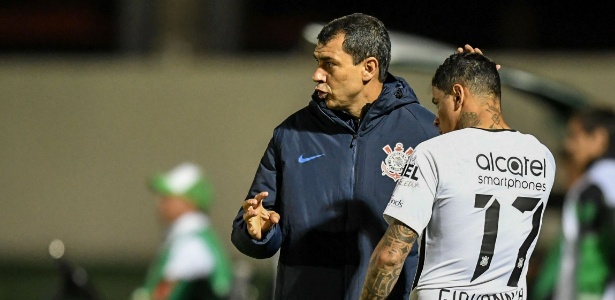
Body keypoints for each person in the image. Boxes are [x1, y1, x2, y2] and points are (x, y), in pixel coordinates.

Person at [231, 13, 439, 299]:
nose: (317, 74)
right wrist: (259, 233)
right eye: (317, 62)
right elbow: (251, 228)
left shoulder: (426, 133)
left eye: (329, 64)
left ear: (368, 68)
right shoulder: (291, 135)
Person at [360, 51, 556, 299]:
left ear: (458, 95)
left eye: (436, 102)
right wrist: (477, 69)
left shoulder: (435, 153)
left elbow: (391, 256)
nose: (435, 120)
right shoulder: (542, 157)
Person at [532, 107, 615, 300]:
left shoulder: (593, 188)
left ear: (599, 139)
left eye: (575, 136)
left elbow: (590, 255)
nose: (568, 145)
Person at [133, 162, 234, 300]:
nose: (160, 203)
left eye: (168, 198)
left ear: (190, 201)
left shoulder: (192, 243)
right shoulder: (189, 237)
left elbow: (166, 294)